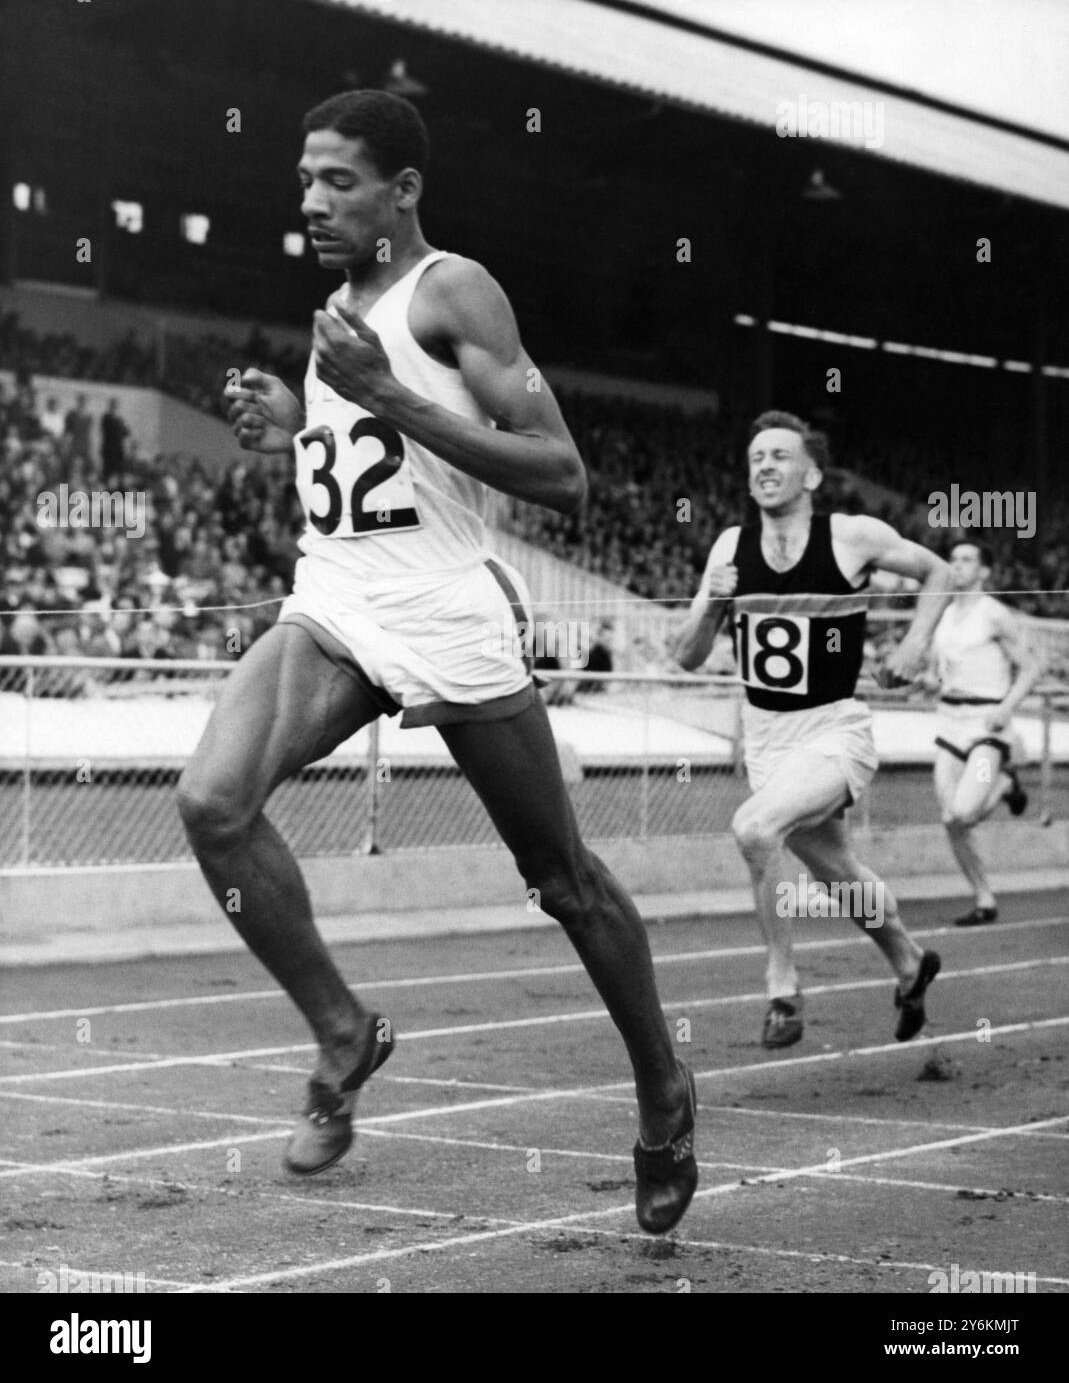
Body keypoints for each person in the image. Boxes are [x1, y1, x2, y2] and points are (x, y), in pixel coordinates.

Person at [177, 90, 695, 1234]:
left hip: (449, 612)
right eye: (304, 178)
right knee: (212, 805)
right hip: (337, 601)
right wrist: (297, 430)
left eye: (338, 181)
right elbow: (370, 473)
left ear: (401, 191)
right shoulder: (336, 308)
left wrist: (383, 395)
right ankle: (342, 1031)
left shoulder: (456, 289)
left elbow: (559, 475)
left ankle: (661, 1083)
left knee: (563, 881)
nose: (311, 201)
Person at [674, 411, 954, 1050]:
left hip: (834, 729)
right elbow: (686, 656)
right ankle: (910, 963)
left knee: (754, 827)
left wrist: (914, 645)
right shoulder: (727, 547)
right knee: (838, 873)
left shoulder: (852, 536)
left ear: (812, 474)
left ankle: (782, 987)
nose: (766, 466)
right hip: (766, 739)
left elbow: (939, 572)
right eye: (756, 459)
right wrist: (713, 602)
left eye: (779, 455)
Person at [925, 540, 1041, 927]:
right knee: (951, 820)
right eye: (953, 559)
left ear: (985, 571)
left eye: (966, 560)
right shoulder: (942, 615)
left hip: (986, 730)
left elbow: (1029, 668)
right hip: (949, 724)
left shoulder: (994, 615)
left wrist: (1006, 708)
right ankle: (984, 899)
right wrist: (927, 680)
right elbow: (938, 671)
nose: (956, 566)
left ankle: (1005, 784)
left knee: (963, 810)